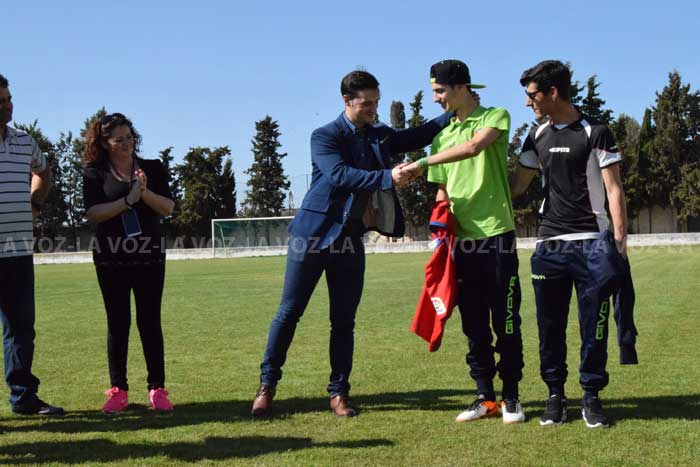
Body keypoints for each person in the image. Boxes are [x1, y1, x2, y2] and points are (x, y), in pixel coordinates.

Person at [252, 70, 452, 418]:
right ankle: (266, 386)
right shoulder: (325, 136)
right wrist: (388, 176)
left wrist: (453, 111)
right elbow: (340, 175)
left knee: (344, 321)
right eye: (367, 103)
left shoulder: (379, 135)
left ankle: (339, 393)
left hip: (349, 241)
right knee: (289, 313)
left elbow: (415, 136)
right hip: (311, 237)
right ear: (347, 100)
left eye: (376, 102)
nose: (374, 109)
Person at [402, 60, 525, 424]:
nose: (436, 99)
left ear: (460, 87)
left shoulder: (495, 116)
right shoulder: (442, 137)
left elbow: (473, 148)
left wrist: (421, 163)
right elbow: (442, 192)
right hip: (461, 245)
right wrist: (439, 233)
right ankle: (485, 398)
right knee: (473, 324)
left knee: (505, 320)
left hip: (496, 234)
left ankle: (512, 397)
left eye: (439, 91)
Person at [510, 60, 628, 428]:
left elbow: (614, 189)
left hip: (592, 243)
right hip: (549, 245)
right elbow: (516, 187)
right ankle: (555, 396)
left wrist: (619, 241)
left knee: (594, 326)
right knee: (549, 327)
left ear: (552, 92)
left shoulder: (596, 132)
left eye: (532, 95)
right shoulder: (536, 135)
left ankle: (591, 396)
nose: (527, 102)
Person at [82, 112, 175, 413]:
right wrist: (127, 201)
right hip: (111, 257)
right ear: (104, 143)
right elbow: (94, 213)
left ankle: (157, 388)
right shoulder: (94, 173)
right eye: (119, 140)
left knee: (150, 321)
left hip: (149, 256)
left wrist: (143, 193)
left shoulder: (152, 168)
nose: (126, 143)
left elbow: (168, 207)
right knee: (117, 322)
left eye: (130, 137)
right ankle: (118, 390)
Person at [0, 74, 64, 416]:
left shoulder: (25, 141)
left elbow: (43, 170)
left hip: (19, 253)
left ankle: (24, 397)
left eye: (8, 98)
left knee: (21, 330)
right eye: (0, 102)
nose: (7, 106)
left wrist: (35, 202)